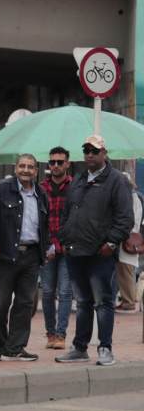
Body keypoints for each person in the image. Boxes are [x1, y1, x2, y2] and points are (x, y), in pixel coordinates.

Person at [56, 135, 134, 366]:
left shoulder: (116, 180)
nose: (89, 154)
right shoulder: (79, 179)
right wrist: (64, 235)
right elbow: (67, 212)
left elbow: (125, 218)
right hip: (75, 251)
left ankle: (105, 348)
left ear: (104, 153)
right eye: (86, 150)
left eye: (94, 150)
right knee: (82, 303)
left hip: (100, 254)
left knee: (103, 302)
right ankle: (80, 348)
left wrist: (111, 244)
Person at [0, 154, 49, 362]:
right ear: (16, 168)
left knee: (25, 303)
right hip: (5, 255)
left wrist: (46, 248)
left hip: (32, 255)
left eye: (30, 167)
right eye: (22, 166)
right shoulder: (1, 189)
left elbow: (44, 225)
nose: (26, 170)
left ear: (36, 170)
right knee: (0, 303)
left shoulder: (41, 194)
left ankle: (16, 347)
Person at [39, 147, 75, 349]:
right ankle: (50, 334)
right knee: (46, 292)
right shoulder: (41, 188)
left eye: (60, 162)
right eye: (52, 162)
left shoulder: (75, 187)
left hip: (68, 248)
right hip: (46, 249)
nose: (55, 166)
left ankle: (61, 335)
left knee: (65, 292)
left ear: (67, 164)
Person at [115, 171, 142, 312]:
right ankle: (127, 299)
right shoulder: (131, 198)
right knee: (125, 270)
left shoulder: (132, 198)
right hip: (126, 238)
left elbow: (132, 220)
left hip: (128, 239)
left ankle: (129, 301)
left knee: (126, 270)